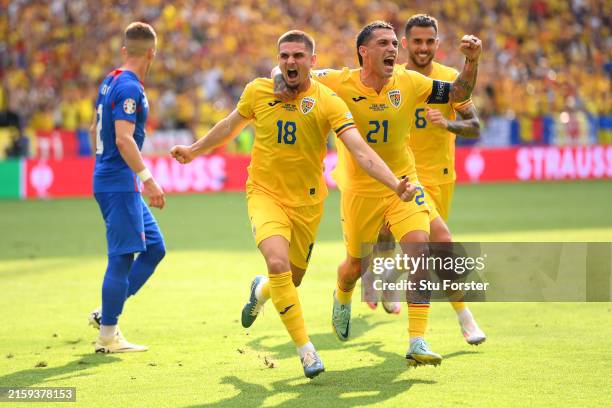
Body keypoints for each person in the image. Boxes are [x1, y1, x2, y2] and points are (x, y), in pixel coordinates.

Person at [170, 30, 416, 379]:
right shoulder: (259, 91)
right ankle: (307, 351)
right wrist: (194, 150)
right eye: (284, 56)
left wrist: (395, 183)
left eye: (298, 56)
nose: (290, 62)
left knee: (291, 278)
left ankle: (262, 290)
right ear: (277, 59)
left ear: (312, 62)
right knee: (276, 261)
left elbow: (360, 150)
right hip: (265, 194)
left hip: (307, 203)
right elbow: (229, 125)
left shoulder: (328, 101)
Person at [273, 21, 481, 367]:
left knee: (420, 250)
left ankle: (417, 339)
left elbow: (458, 93)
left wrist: (472, 62)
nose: (392, 50)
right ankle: (342, 295)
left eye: (392, 44)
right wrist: (282, 80)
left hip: (403, 185)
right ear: (363, 52)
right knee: (355, 265)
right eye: (383, 44)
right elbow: (287, 68)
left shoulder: (411, 81)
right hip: (360, 190)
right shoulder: (337, 81)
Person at [369, 14, 486, 346]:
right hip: (403, 179)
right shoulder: (394, 80)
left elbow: (475, 126)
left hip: (441, 178)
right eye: (416, 41)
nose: (423, 47)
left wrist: (447, 125)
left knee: (430, 248)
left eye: (429, 41)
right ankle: (465, 318)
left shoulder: (450, 81)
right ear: (404, 44)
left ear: (437, 43)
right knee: (433, 244)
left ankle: (392, 276)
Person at [89, 22, 166, 353]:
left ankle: (106, 313)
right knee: (122, 257)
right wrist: (148, 179)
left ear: (125, 51)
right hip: (119, 182)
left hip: (115, 179)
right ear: (152, 52)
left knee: (155, 248)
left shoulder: (111, 80)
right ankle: (108, 334)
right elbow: (122, 138)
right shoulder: (130, 88)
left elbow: (95, 127)